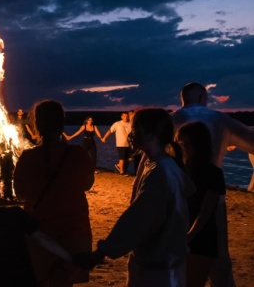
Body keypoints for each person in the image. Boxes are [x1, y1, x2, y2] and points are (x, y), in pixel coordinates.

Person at [89, 108, 196, 286]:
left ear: (149, 135)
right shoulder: (164, 166)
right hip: (166, 264)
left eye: (135, 128)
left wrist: (102, 251)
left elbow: (137, 219)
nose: (131, 134)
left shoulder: (160, 172)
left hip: (159, 271)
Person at [171, 82, 254, 286]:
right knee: (217, 255)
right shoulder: (220, 120)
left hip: (176, 192)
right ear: (201, 97)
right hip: (211, 192)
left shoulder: (170, 120)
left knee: (177, 250)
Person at [13, 100, 94, 286]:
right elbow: (87, 185)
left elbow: (20, 193)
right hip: (73, 233)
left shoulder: (27, 158)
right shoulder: (78, 154)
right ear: (61, 124)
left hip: (39, 234)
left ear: (37, 125)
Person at [176, 122, 227, 287]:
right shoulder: (181, 169)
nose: (180, 148)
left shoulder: (212, 173)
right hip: (181, 235)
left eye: (183, 144)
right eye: (178, 143)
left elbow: (206, 211)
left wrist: (189, 236)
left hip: (201, 239)